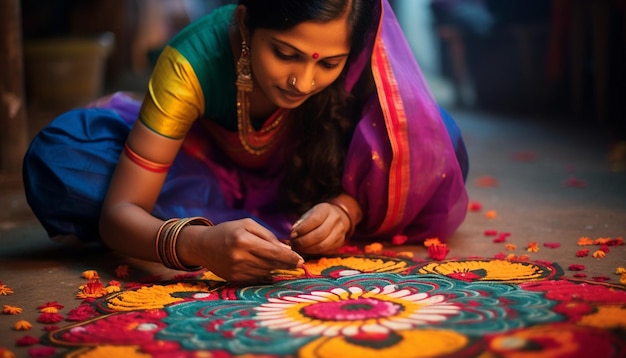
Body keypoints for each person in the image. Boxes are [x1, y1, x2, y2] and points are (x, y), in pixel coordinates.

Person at [23, 0, 469, 282]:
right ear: (244, 20)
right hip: (201, 174)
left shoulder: (359, 50)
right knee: (62, 159)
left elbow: (396, 138)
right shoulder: (190, 63)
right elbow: (119, 213)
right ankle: (236, 226)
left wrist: (346, 207)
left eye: (329, 63)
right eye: (284, 53)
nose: (302, 81)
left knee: (437, 140)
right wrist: (197, 245)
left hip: (309, 174)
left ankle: (281, 220)